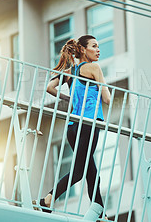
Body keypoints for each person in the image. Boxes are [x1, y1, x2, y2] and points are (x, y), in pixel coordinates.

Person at [35, 35, 111, 218]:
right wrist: (103, 86)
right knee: (80, 171)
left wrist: (69, 99)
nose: (98, 49)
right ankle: (48, 198)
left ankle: (100, 213)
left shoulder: (71, 71)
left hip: (72, 127)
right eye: (94, 46)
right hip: (88, 124)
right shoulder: (94, 67)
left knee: (91, 172)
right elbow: (107, 98)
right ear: (84, 50)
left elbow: (50, 87)